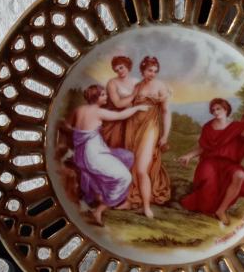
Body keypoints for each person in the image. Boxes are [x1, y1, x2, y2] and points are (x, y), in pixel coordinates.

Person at [68, 84, 149, 226]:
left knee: (127, 157)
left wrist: (83, 136)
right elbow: (120, 115)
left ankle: (101, 192)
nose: (106, 97)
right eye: (103, 95)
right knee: (125, 178)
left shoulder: (79, 110)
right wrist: (137, 108)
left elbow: (68, 126)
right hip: (93, 155)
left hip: (84, 152)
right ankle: (98, 210)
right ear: (96, 97)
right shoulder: (98, 112)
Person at [179, 96, 244, 224]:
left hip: (229, 164)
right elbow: (203, 148)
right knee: (209, 183)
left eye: (218, 109)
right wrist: (189, 156)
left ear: (226, 109)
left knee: (240, 175)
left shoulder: (236, 127)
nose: (215, 112)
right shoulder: (208, 127)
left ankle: (221, 210)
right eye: (213, 110)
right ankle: (205, 206)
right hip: (209, 162)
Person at [121, 56, 171, 218]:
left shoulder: (160, 86)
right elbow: (127, 106)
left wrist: (165, 135)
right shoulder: (138, 86)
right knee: (131, 165)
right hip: (133, 126)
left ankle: (146, 206)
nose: (152, 74)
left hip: (150, 127)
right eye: (150, 70)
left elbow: (166, 112)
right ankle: (131, 200)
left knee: (142, 168)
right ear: (142, 70)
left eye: (155, 71)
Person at [102, 55, 138, 149]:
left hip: (134, 113)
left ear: (127, 66)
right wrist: (133, 95)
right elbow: (117, 103)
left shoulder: (136, 82)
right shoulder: (112, 83)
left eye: (121, 67)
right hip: (117, 116)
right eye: (116, 70)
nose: (119, 71)